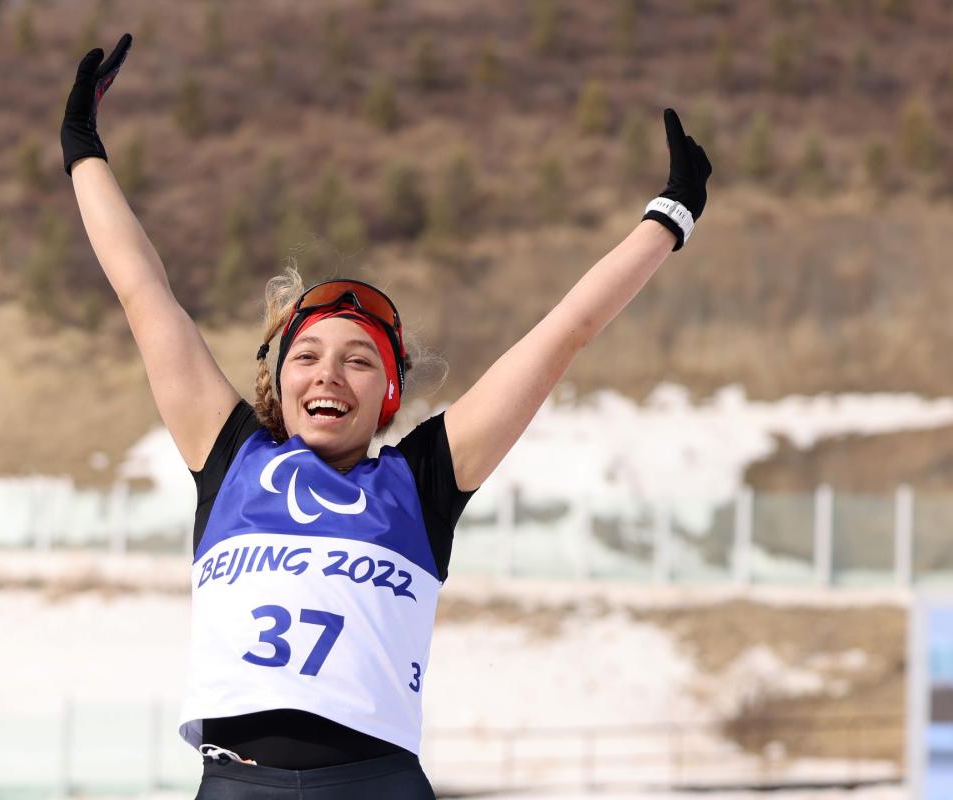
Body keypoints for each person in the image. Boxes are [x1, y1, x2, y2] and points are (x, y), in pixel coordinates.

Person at [62, 34, 711, 800]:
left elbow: (561, 335)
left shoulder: (423, 478)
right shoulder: (230, 455)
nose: (328, 373)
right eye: (308, 357)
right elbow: (145, 295)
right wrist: (83, 151)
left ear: (387, 397)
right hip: (239, 785)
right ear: (278, 377)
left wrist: (668, 218)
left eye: (357, 360)